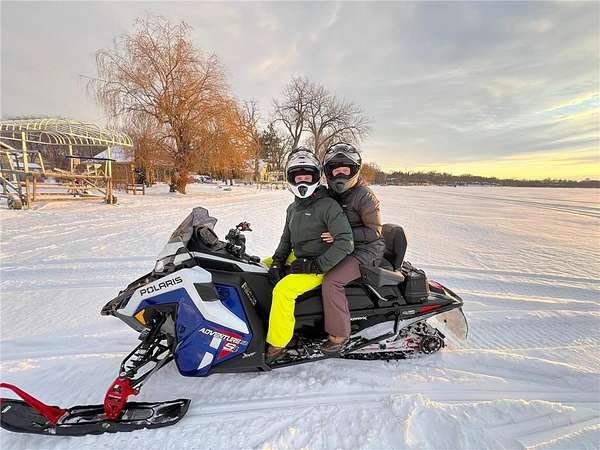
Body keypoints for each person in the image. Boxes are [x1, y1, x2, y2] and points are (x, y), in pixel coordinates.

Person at [265, 148, 354, 363]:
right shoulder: (293, 208)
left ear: (316, 178)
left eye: (308, 177)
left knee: (284, 290)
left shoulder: (327, 205)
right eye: (299, 177)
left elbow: (346, 242)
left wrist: (316, 266)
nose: (303, 181)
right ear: (290, 179)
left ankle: (278, 344)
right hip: (301, 257)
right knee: (260, 265)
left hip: (323, 263)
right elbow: (286, 240)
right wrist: (277, 262)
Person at [320, 142, 385, 354]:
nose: (340, 174)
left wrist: (341, 235)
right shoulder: (331, 194)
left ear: (354, 171)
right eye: (335, 170)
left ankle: (339, 335)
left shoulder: (364, 196)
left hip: (365, 250)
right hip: (342, 246)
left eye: (345, 170)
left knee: (332, 280)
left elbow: (374, 231)